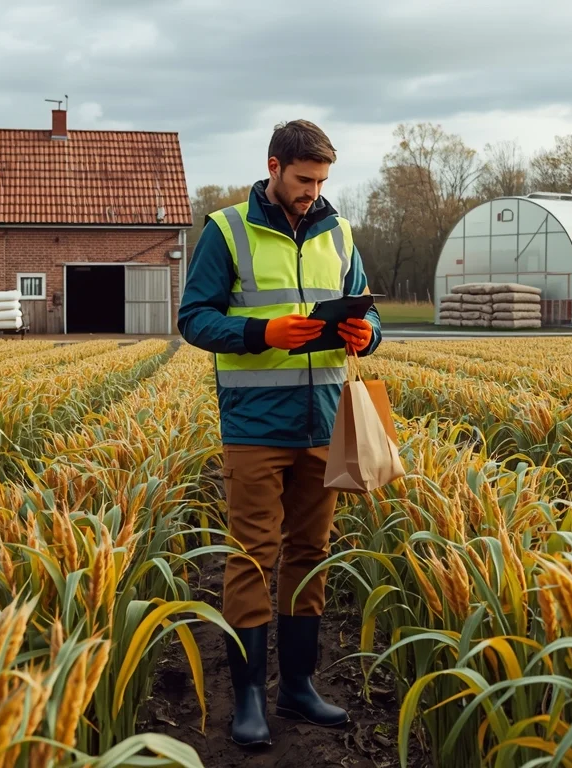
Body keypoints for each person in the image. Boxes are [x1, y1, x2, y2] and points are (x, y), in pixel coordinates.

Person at [176, 119, 382, 748]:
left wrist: (364, 334)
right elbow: (194, 319)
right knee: (250, 558)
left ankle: (297, 687)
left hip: (323, 423)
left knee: (309, 555)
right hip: (254, 426)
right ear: (274, 166)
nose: (312, 192)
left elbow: (366, 308)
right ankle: (246, 700)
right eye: (302, 179)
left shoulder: (339, 231)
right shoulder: (226, 230)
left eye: (321, 181)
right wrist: (261, 333)